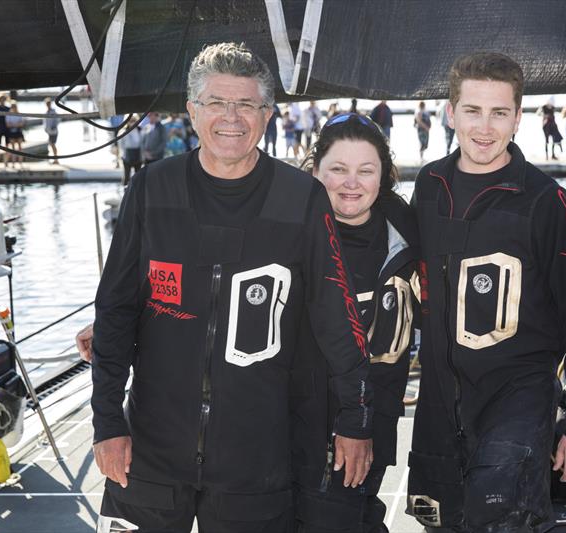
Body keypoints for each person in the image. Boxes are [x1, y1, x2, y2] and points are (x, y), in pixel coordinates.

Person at [84, 41, 373, 532]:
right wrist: (108, 422)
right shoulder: (152, 190)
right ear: (192, 112)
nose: (231, 117)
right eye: (216, 103)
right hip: (151, 449)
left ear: (268, 116)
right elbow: (115, 311)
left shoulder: (301, 198)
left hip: (256, 455)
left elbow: (335, 318)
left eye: (247, 105)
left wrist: (355, 420)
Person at [407, 52, 566, 532]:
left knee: (501, 519)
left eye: (499, 113)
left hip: (517, 401)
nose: (484, 127)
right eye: (472, 110)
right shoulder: (428, 187)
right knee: (441, 523)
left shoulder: (544, 200)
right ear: (450, 112)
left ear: (518, 118)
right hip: (437, 403)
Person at [291, 113, 419, 533]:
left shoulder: (409, 237)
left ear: (383, 177)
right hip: (302, 426)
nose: (351, 183)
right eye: (338, 170)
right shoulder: (285, 237)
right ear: (315, 171)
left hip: (376, 418)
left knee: (362, 516)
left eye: (365, 170)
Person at [118, 115, 142, 186]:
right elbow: (121, 144)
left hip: (138, 155)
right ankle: (125, 191)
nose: (132, 122)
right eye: (130, 121)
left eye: (134, 120)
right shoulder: (123, 131)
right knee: (126, 175)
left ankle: (137, 190)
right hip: (127, 155)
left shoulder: (140, 130)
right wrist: (122, 155)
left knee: (138, 175)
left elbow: (143, 142)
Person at [4, 102, 24, 168]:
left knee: (20, 148)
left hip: (18, 132)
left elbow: (21, 123)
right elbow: (7, 125)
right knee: (12, 148)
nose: (14, 108)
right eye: (12, 107)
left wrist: (13, 125)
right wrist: (16, 125)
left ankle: (20, 163)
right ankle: (13, 163)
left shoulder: (19, 114)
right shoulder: (8, 115)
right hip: (12, 132)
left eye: (14, 107)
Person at [43, 97, 61, 165]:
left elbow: (58, 120)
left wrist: (54, 126)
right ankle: (54, 159)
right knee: (51, 144)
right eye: (47, 103)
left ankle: (56, 159)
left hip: (54, 131)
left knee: (52, 144)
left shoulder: (53, 111)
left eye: (49, 103)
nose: (48, 105)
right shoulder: (46, 112)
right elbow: (45, 122)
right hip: (49, 131)